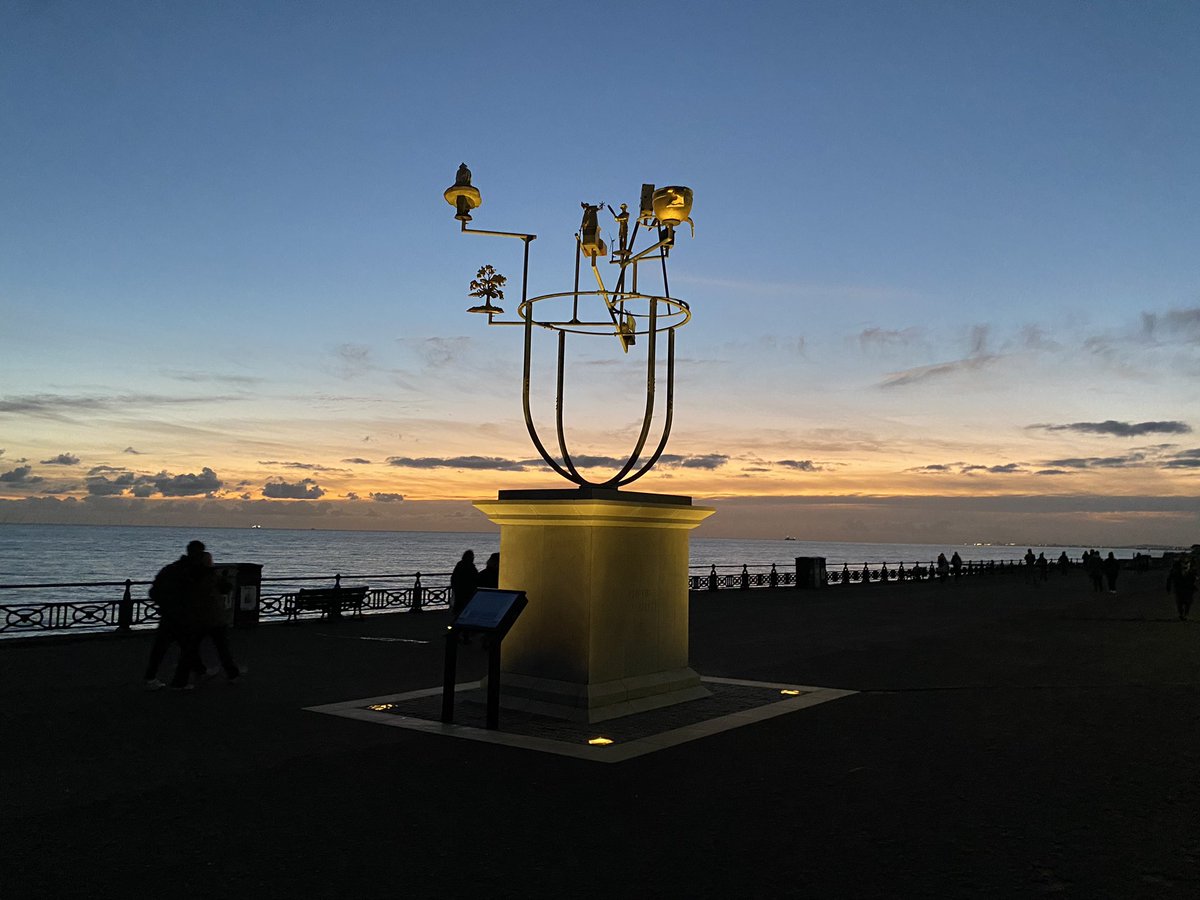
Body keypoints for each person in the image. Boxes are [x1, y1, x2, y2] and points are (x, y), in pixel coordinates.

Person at [143, 540, 209, 691]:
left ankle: (151, 677)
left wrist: (163, 605)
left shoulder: (170, 569)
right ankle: (182, 681)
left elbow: (153, 592)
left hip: (169, 615)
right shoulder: (195, 572)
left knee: (163, 648)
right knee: (187, 647)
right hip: (184, 616)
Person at [197, 552, 243, 682]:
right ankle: (232, 674)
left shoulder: (192, 575)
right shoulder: (212, 575)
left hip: (198, 616)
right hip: (214, 616)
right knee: (222, 647)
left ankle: (198, 670)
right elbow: (226, 588)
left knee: (191, 646)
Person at [1166, 557, 1196, 621]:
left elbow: (1195, 579)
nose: (1185, 565)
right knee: (1179, 602)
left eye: (1187, 563)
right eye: (1184, 563)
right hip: (1179, 588)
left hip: (1189, 589)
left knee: (1188, 602)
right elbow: (1169, 579)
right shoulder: (1175, 571)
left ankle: (1185, 615)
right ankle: (1181, 615)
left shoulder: (1192, 571)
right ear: (1181, 563)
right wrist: (1168, 587)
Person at [450, 550, 478, 616]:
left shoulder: (460, 564)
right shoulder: (470, 566)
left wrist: (454, 586)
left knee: (459, 604)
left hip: (459, 588)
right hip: (467, 588)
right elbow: (474, 577)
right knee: (465, 603)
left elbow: (454, 577)